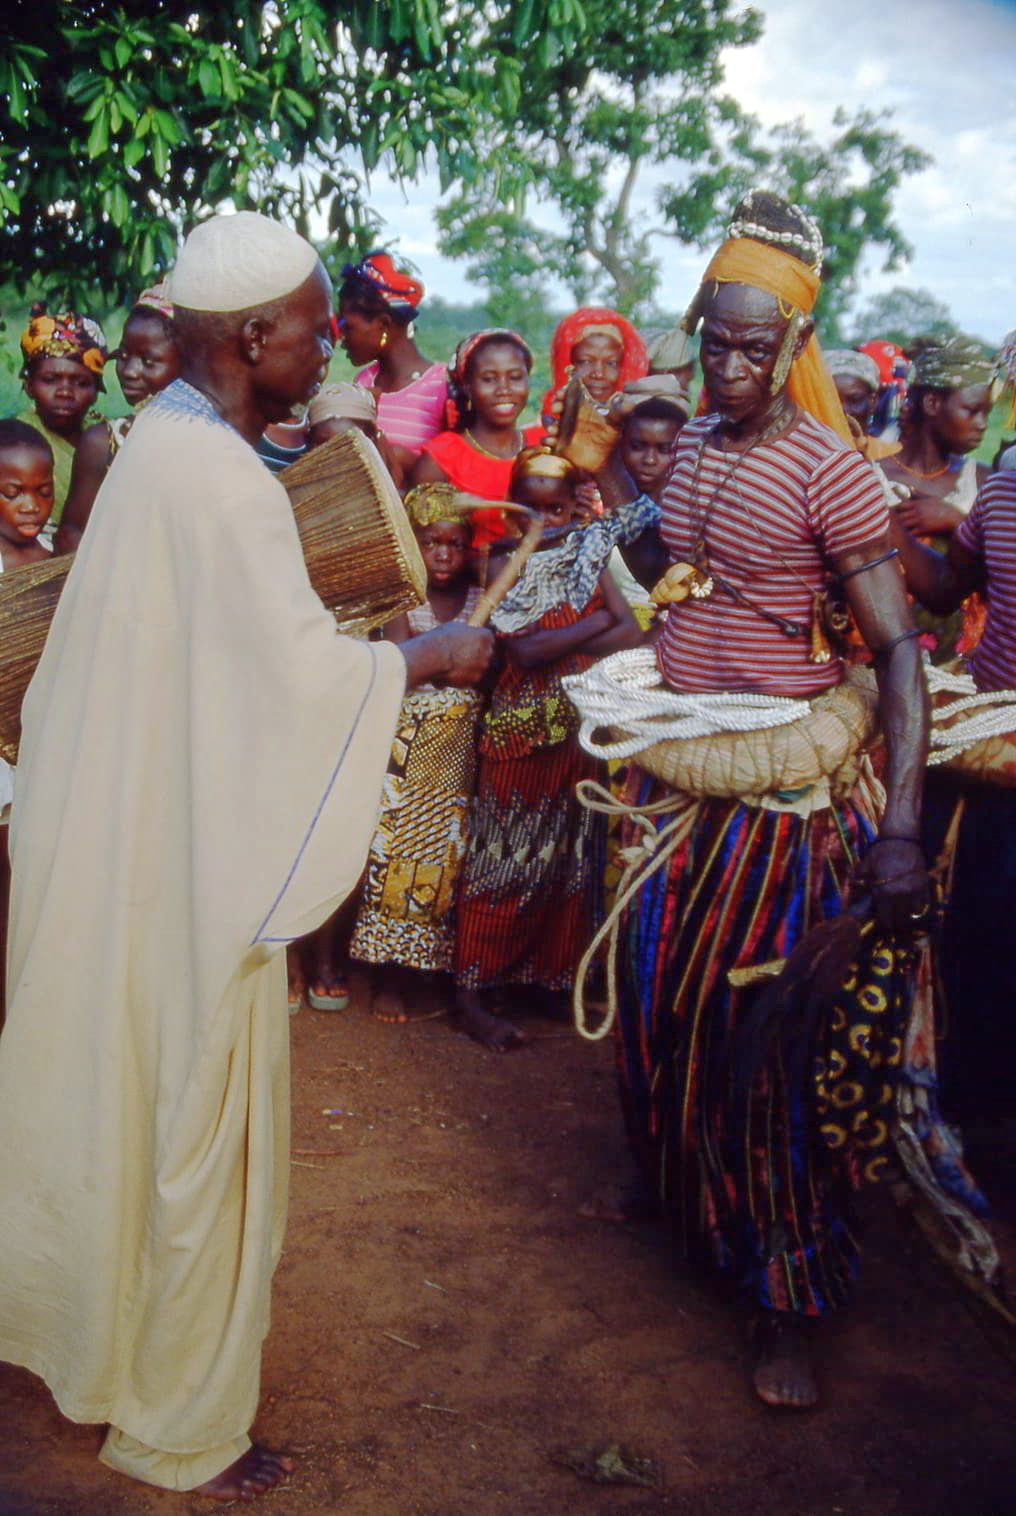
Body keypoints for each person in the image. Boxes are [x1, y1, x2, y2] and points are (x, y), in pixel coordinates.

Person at [0, 210, 492, 1500]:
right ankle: (176, 1422)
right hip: (186, 873)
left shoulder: (167, 445)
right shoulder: (212, 476)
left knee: (122, 1096)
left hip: (133, 842)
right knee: (190, 1126)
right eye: (320, 324)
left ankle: (99, 1351)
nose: (331, 344)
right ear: (255, 335)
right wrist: (422, 659)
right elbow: (291, 687)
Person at [579, 189, 929, 1409]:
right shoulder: (689, 456)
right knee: (657, 1014)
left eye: (749, 346)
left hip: (779, 811)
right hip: (678, 786)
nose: (724, 366)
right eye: (710, 340)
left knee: (763, 1053)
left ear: (791, 348)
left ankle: (782, 1296)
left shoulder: (831, 472)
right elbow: (671, 580)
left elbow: (893, 653)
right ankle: (674, 1190)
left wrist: (897, 830)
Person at [453, 447, 642, 1050]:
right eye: (529, 508)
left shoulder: (589, 549)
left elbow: (632, 631)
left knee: (567, 858)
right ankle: (472, 989)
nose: (544, 520)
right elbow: (525, 653)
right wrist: (593, 625)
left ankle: (543, 980)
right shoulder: (500, 560)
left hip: (578, 729)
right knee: (503, 857)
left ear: (573, 506)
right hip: (520, 730)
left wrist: (564, 633)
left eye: (556, 507)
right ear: (511, 513)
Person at [893, 470, 1016, 1120]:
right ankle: (977, 1118)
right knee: (979, 942)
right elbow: (945, 586)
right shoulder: (1004, 490)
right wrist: (877, 518)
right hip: (992, 763)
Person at [349, 482, 485, 1023]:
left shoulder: (479, 595)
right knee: (396, 863)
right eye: (432, 543)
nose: (444, 554)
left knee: (446, 863)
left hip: (458, 759)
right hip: (406, 759)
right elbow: (407, 666)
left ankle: (427, 971)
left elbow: (480, 666)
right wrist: (449, 661)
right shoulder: (406, 597)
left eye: (455, 543)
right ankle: (387, 977)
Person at [881, 336, 995, 665]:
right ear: (932, 404)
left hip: (964, 665)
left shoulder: (985, 482)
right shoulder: (873, 475)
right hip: (881, 658)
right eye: (972, 411)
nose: (983, 424)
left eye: (986, 413)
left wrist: (957, 523)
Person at [55, 286, 182, 553]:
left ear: (188, 363)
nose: (130, 371)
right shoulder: (105, 443)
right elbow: (72, 534)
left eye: (148, 361)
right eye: (123, 356)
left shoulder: (211, 438)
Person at [409, 329, 543, 547]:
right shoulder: (442, 458)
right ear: (467, 386)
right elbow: (420, 543)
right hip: (476, 580)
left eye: (515, 377)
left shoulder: (545, 444)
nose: (504, 389)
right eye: (489, 379)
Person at [339, 250, 447, 466]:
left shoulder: (441, 386)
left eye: (347, 326)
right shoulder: (364, 382)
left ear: (383, 325)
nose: (342, 338)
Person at [17, 304, 108, 544]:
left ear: (96, 392)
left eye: (81, 382)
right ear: (29, 386)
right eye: (50, 380)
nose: (65, 392)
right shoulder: (16, 440)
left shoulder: (106, 435)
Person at [541, 307, 648, 422]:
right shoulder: (545, 432)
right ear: (568, 365)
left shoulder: (640, 430)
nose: (598, 374)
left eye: (611, 363)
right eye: (586, 362)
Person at [824, 348, 900, 463]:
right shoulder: (809, 455)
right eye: (833, 401)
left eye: (854, 400)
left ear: (873, 401)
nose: (843, 410)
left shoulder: (890, 457)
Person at [619, 396, 685, 504]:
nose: (649, 460)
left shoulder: (691, 506)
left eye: (665, 450)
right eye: (637, 447)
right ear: (621, 445)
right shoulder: (596, 497)